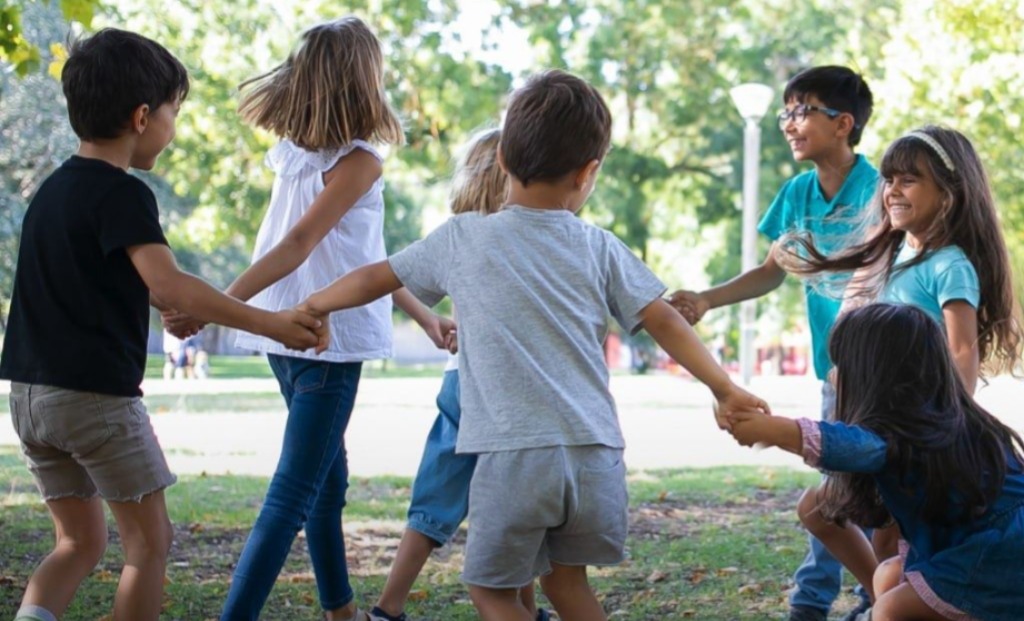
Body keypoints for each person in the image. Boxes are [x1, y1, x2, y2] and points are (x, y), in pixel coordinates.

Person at [297, 69, 769, 621]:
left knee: (493, 592)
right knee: (568, 585)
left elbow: (377, 277)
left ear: (501, 161)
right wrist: (724, 387)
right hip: (596, 457)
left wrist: (314, 305)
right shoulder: (599, 246)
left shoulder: (464, 237)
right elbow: (663, 319)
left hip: (514, 456)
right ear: (589, 172)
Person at [0, 29, 322, 621]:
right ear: (143, 116)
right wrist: (271, 323)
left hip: (29, 398)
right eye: (175, 110)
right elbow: (169, 281)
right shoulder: (124, 195)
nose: (174, 124)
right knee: (149, 545)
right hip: (95, 401)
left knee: (78, 542)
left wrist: (166, 307)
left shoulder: (52, 192)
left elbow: (94, 282)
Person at [190, 18, 450, 621]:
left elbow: (366, 259)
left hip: (286, 333)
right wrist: (217, 302)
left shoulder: (294, 157)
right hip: (324, 341)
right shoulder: (358, 162)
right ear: (365, 80)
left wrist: (425, 316)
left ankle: (341, 610)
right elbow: (300, 244)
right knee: (293, 494)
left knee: (326, 485)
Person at [775, 125, 1024, 608]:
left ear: (948, 195)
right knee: (824, 511)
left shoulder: (950, 264)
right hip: (877, 418)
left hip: (917, 433)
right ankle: (884, 597)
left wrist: (947, 427)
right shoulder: (895, 252)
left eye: (909, 180)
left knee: (885, 535)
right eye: (889, 179)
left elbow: (961, 350)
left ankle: (891, 602)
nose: (892, 189)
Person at [670, 65, 877, 621]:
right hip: (831, 371)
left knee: (848, 490)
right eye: (785, 112)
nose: (789, 123)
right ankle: (865, 595)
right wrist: (706, 299)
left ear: (843, 124)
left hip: (882, 372)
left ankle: (824, 600)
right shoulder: (796, 194)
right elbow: (771, 271)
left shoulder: (882, 190)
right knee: (843, 488)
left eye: (801, 110)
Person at [728, 303, 1024, 621]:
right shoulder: (938, 425)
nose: (833, 374)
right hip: (979, 552)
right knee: (886, 577)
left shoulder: (903, 437)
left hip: (998, 559)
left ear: (875, 377)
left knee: (890, 610)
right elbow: (887, 538)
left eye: (842, 364)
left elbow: (846, 445)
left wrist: (771, 429)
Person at [368, 129, 546, 621]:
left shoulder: (463, 235)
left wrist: (434, 319)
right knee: (515, 504)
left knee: (436, 496)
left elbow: (388, 274)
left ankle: (389, 607)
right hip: (517, 393)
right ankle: (526, 609)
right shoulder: (538, 238)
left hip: (467, 384)